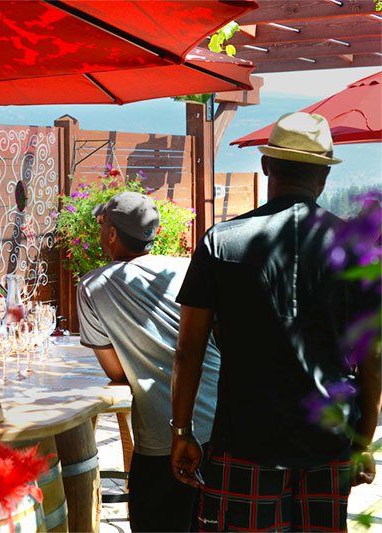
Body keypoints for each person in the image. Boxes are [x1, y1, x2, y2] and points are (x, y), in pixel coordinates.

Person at [171, 112, 381, 531]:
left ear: (266, 165)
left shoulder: (221, 242)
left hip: (245, 440)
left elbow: (188, 351)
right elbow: (372, 358)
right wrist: (364, 439)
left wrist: (181, 430)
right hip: (330, 438)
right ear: (324, 176)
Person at [76, 191, 222, 532]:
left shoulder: (93, 286)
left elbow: (116, 371)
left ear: (112, 234)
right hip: (222, 424)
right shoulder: (187, 268)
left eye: (102, 223)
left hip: (165, 437)